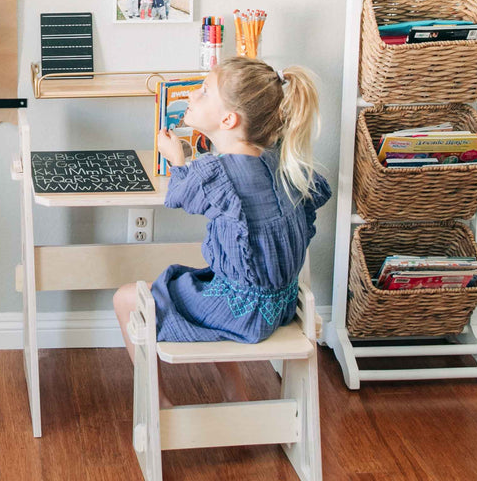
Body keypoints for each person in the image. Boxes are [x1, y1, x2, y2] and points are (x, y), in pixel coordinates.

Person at [112, 58, 330, 406]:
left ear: (228, 120)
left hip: (241, 314)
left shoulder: (216, 173)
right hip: (282, 305)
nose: (191, 98)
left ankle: (156, 403)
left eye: (203, 92)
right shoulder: (281, 162)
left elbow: (179, 194)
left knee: (125, 297)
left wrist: (177, 159)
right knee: (208, 283)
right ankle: (234, 390)